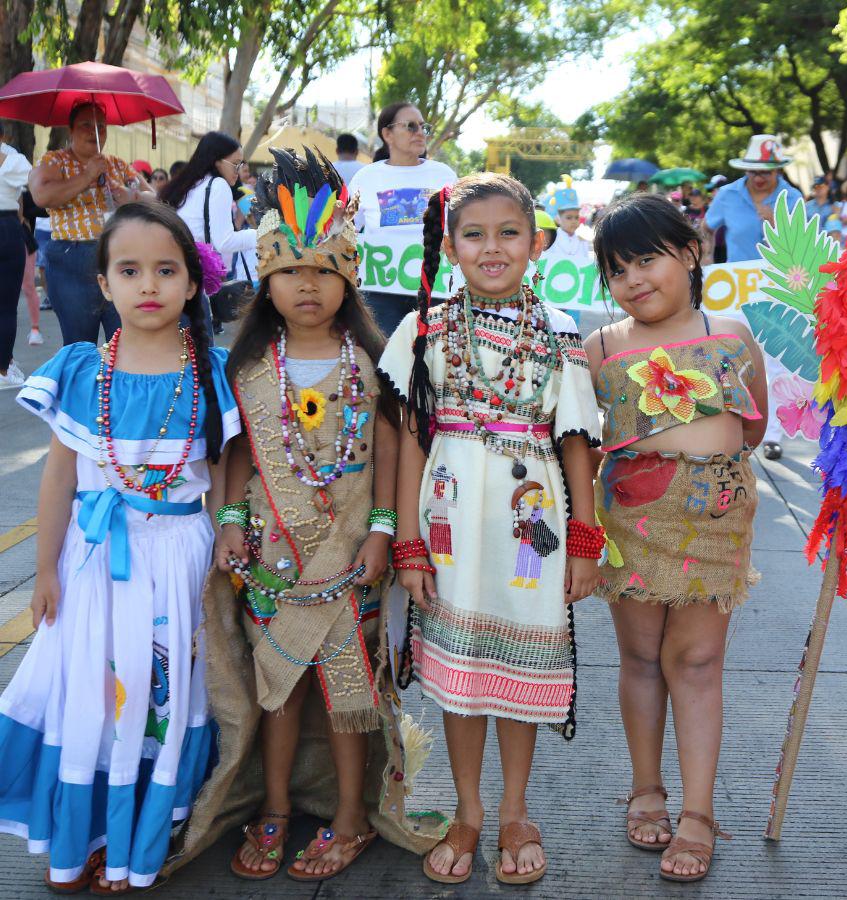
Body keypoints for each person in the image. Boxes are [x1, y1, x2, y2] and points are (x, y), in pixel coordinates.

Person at [188, 148, 425, 882]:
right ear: (267, 280)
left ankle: (353, 814)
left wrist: (384, 530)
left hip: (351, 555)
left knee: (348, 697)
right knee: (279, 692)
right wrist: (229, 520)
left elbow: (389, 453)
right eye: (291, 272)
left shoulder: (372, 361)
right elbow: (235, 455)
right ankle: (276, 809)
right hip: (270, 553)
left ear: (347, 276)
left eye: (323, 271)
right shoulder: (250, 367)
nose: (308, 285)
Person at [3, 201, 238, 893]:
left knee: (162, 697)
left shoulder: (213, 371)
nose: (148, 286)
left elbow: (226, 476)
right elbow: (58, 479)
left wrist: (227, 536)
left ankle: (143, 837)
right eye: (129, 270)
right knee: (94, 692)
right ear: (101, 283)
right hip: (94, 555)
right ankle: (83, 835)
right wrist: (44, 569)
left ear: (193, 283)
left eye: (166, 270)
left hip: (178, 557)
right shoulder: (80, 370)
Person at [379, 174, 602, 886]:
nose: (492, 248)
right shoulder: (426, 326)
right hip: (448, 522)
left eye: (509, 233)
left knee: (519, 667)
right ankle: (469, 810)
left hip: (528, 523)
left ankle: (514, 809)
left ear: (537, 243)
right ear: (449, 246)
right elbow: (414, 435)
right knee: (460, 671)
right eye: (474, 235)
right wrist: (407, 543)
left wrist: (587, 541)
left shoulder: (560, 329)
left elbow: (575, 442)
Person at [587, 194, 766, 883]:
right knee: (638, 657)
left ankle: (697, 811)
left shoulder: (732, 335)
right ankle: (645, 789)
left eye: (648, 259)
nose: (634, 279)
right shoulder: (599, 347)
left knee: (695, 663)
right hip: (631, 519)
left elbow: (753, 428)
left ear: (690, 253)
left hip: (714, 518)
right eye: (618, 269)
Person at [703, 133, 803, 461]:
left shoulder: (791, 197)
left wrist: (776, 223)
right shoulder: (728, 195)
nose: (760, 178)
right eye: (753, 172)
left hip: (777, 290)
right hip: (734, 290)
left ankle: (773, 435)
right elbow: (706, 229)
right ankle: (726, 431)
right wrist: (703, 266)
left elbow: (803, 245)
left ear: (778, 172)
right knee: (727, 359)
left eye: (768, 172)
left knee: (774, 363)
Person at [28, 102, 155, 347]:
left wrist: (133, 197)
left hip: (118, 256)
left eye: (100, 126)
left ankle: (118, 384)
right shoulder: (55, 161)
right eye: (86, 125)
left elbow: (157, 197)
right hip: (71, 258)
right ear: (71, 130)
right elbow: (41, 196)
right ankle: (83, 385)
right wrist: (86, 176)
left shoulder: (116, 164)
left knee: (125, 338)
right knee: (79, 343)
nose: (93, 131)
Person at [349, 102, 456, 337]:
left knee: (434, 356)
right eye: (410, 126)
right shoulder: (365, 177)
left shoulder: (444, 175)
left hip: (435, 284)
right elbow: (348, 231)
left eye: (423, 127)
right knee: (385, 356)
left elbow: (460, 226)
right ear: (387, 134)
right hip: (380, 289)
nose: (420, 132)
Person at [160, 131, 255, 275]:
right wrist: (264, 234)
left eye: (240, 165)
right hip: (196, 273)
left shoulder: (189, 184)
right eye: (235, 164)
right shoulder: (218, 185)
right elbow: (225, 242)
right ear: (216, 161)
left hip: (175, 268)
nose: (238, 171)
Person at [1, 122, 33, 387]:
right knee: (6, 305)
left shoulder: (12, 159)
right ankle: (2, 371)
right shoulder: (12, 159)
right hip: (7, 226)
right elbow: (31, 183)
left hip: (9, 223)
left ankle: (4, 366)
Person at [543, 177, 591, 263]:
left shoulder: (582, 239)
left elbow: (586, 261)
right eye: (569, 218)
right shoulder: (551, 238)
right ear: (558, 219)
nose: (573, 221)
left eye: (576, 217)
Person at [18, 188, 44, 345]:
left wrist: (24, 214)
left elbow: (43, 209)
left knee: (28, 286)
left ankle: (35, 330)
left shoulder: (24, 191)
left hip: (24, 241)